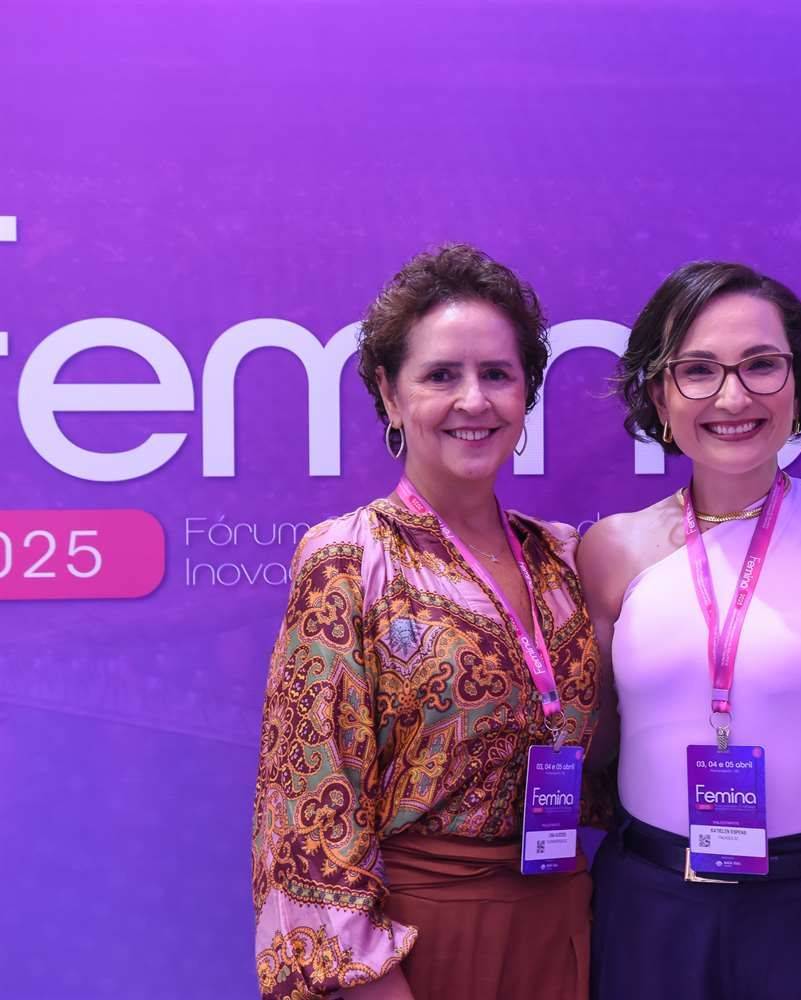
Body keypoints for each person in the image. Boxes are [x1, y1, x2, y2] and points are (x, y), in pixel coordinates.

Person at [251, 244, 603, 1000]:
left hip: (563, 924)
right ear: (389, 393)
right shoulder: (349, 558)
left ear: (526, 393)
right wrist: (365, 981)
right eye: (441, 375)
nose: (474, 400)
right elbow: (310, 803)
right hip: (421, 942)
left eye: (497, 374)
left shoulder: (564, 560)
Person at [579, 261, 801, 1000]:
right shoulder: (611, 550)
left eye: (761, 364)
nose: (733, 397)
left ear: (800, 384)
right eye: (697, 370)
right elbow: (597, 741)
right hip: (656, 908)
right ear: (659, 395)